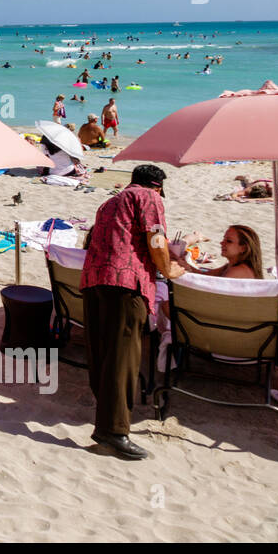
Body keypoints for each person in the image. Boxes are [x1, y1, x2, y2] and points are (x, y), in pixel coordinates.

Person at [79, 164, 186, 460]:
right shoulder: (149, 198)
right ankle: (113, 431)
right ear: (159, 187)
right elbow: (155, 240)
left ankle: (108, 422)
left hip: (94, 280)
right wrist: (168, 268)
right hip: (126, 282)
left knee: (103, 354)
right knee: (123, 357)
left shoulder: (108, 203)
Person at [175, 225, 263, 279]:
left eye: (228, 241)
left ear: (243, 248)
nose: (221, 242)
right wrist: (187, 266)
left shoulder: (237, 271)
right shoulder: (231, 266)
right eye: (223, 239)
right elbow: (208, 274)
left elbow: (210, 287)